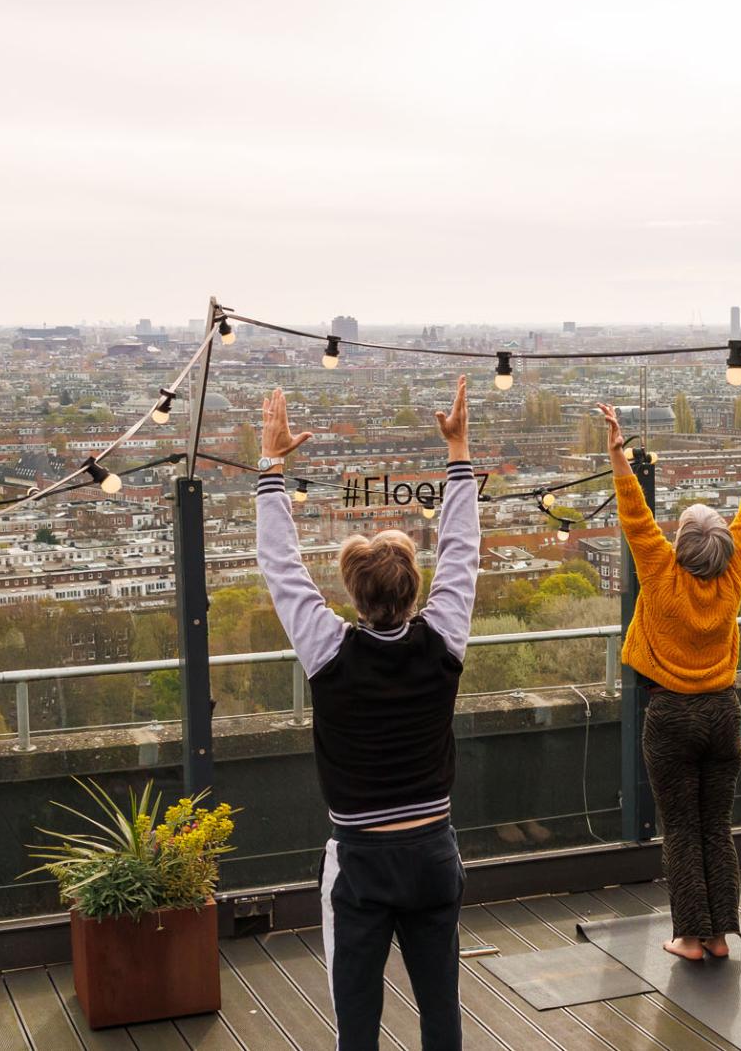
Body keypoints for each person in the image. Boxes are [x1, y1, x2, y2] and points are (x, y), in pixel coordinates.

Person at [255, 378, 479, 1051]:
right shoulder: (442, 645)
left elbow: (281, 568)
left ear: (352, 593)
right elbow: (464, 553)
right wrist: (458, 452)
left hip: (361, 858)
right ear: (415, 589)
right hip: (434, 848)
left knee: (356, 1015)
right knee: (442, 1007)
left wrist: (272, 466)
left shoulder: (329, 653)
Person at [598, 394, 741, 961]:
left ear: (681, 545)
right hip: (724, 712)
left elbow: (633, 512)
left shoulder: (660, 571)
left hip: (670, 717)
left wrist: (617, 451)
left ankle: (688, 935)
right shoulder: (733, 572)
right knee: (717, 825)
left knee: (681, 829)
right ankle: (719, 936)